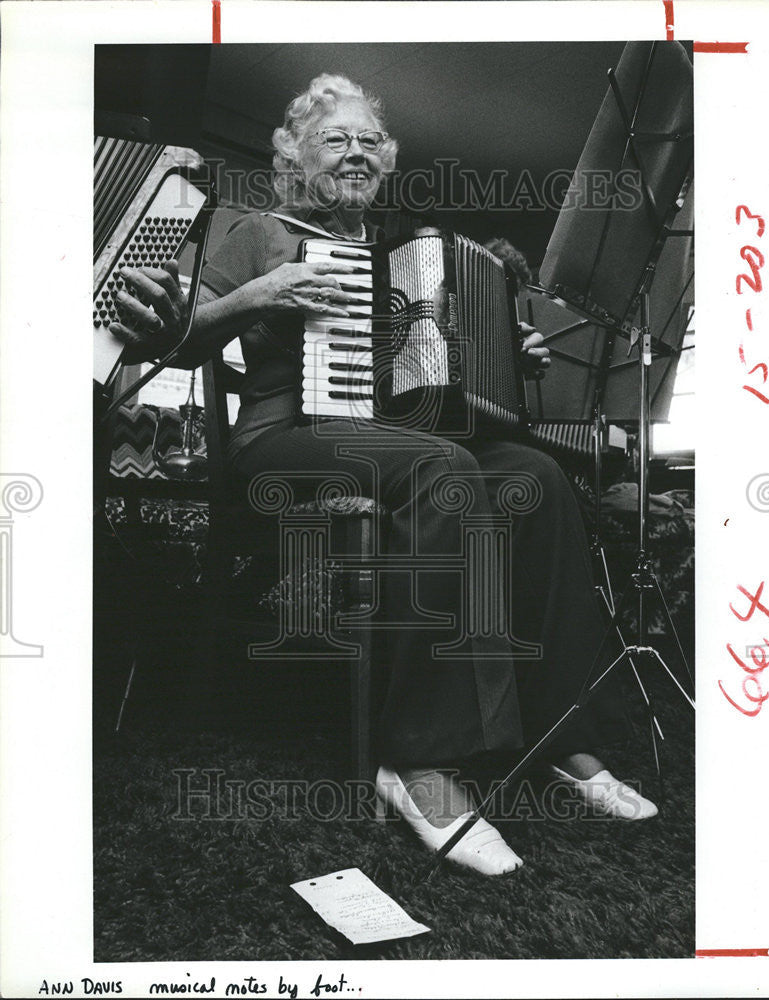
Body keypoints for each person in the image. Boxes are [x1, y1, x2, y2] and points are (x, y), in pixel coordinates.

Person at [109, 74, 657, 877]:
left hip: (398, 442)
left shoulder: (406, 252)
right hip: (286, 439)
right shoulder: (259, 232)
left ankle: (562, 736)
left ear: (387, 161)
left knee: (534, 474)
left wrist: (510, 354)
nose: (356, 151)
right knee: (441, 466)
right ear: (294, 155)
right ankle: (421, 764)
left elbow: (438, 383)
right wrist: (267, 290)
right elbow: (178, 341)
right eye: (336, 138)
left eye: (370, 140)